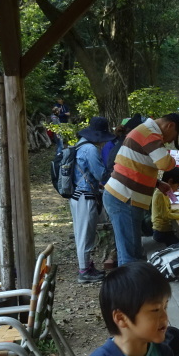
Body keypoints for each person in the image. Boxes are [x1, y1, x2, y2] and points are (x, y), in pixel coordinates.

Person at [102, 113, 179, 265]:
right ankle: (132, 287)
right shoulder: (149, 133)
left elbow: (136, 165)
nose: (169, 142)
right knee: (130, 256)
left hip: (125, 197)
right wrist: (174, 160)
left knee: (134, 251)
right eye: (174, 138)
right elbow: (165, 163)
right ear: (170, 126)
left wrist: (157, 183)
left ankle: (136, 285)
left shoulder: (146, 131)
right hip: (124, 198)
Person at [69, 117, 116, 284]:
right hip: (86, 196)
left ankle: (87, 267)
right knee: (85, 235)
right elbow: (100, 174)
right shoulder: (90, 149)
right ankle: (84, 271)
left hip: (78, 195)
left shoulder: (80, 145)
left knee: (82, 233)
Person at [151, 167, 179, 246]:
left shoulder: (165, 192)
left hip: (166, 230)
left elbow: (167, 209)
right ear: (170, 181)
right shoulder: (160, 194)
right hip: (161, 232)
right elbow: (166, 215)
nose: (176, 190)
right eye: (177, 186)